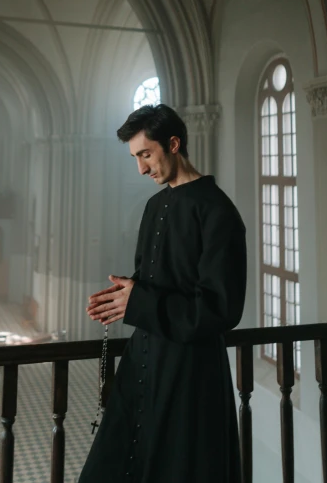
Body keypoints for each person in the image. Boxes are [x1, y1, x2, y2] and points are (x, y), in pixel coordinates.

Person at [80, 104, 247, 483]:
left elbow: (221, 309)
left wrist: (138, 300)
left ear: (173, 144)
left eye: (145, 154)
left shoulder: (218, 212)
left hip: (189, 372)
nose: (140, 168)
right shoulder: (154, 207)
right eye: (135, 157)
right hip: (143, 361)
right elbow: (155, 281)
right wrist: (126, 294)